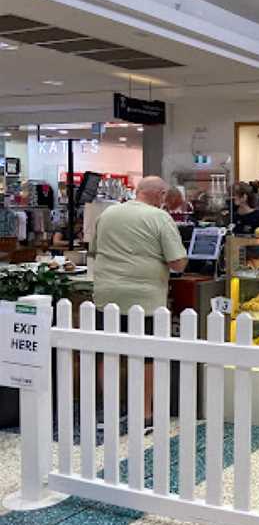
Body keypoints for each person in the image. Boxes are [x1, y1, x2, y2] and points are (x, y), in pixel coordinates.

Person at [91, 176, 188, 427]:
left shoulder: (108, 214)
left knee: (108, 353)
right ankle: (144, 415)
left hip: (106, 296)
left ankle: (110, 411)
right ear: (160, 194)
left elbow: (93, 249)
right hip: (144, 299)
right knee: (147, 356)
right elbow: (177, 262)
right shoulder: (159, 218)